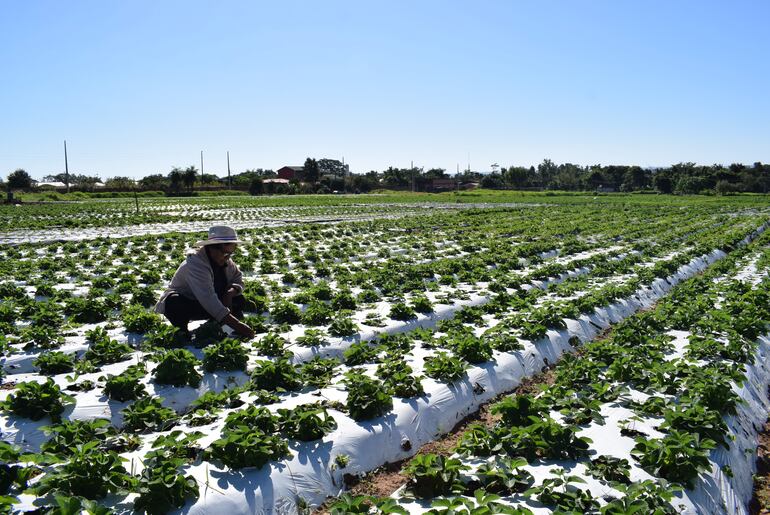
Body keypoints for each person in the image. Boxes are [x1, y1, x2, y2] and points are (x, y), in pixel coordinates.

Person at [155, 225, 255, 340]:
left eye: (231, 254)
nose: (228, 257)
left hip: (210, 304)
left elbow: (238, 278)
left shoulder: (225, 260)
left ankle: (214, 324)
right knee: (174, 302)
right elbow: (208, 298)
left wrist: (229, 293)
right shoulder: (195, 263)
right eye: (225, 253)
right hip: (190, 303)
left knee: (239, 299)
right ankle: (181, 332)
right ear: (212, 248)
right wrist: (238, 326)